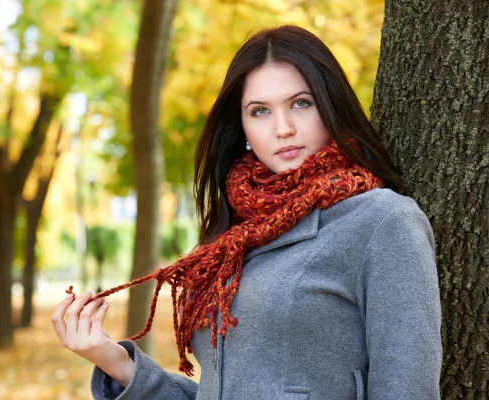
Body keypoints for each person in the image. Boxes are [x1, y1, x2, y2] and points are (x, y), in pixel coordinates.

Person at [51, 25, 442, 400]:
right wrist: (116, 362)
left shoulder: (383, 222)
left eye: (301, 103)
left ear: (331, 106)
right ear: (242, 127)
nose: (283, 127)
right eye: (260, 111)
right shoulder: (232, 235)